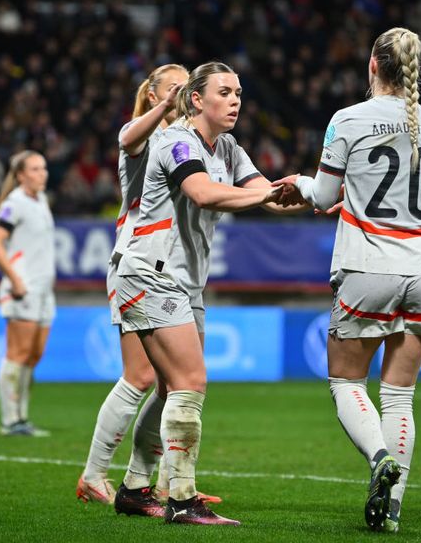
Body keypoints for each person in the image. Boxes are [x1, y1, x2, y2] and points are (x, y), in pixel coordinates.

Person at [275, 27, 421, 532]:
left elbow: (323, 191)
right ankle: (391, 513)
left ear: (373, 65)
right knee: (399, 397)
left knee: (346, 381)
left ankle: (378, 459)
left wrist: (299, 185)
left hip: (368, 266)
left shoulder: (347, 119)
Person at [116, 61, 299, 526]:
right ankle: (180, 499)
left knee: (168, 388)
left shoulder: (230, 148)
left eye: (239, 91)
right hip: (151, 273)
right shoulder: (175, 140)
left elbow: (266, 193)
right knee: (190, 383)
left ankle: (136, 488)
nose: (235, 99)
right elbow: (202, 193)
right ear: (197, 99)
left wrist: (315, 194)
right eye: (224, 92)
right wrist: (267, 196)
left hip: (185, 281)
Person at [77, 63, 223, 513]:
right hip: (139, 263)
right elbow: (126, 138)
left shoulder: (190, 143)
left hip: (178, 270)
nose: (181, 94)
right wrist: (165, 104)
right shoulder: (146, 141)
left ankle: (153, 482)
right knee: (141, 376)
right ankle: (94, 474)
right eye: (172, 88)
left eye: (186, 88)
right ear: (155, 95)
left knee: (173, 384)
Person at [0, 150, 54, 437]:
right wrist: (15, 279)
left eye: (44, 168)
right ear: (21, 174)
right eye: (35, 169)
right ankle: (10, 420)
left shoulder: (41, 201)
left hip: (44, 290)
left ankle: (22, 416)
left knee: (33, 355)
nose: (42, 173)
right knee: (18, 353)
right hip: (23, 288)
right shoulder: (15, 203)